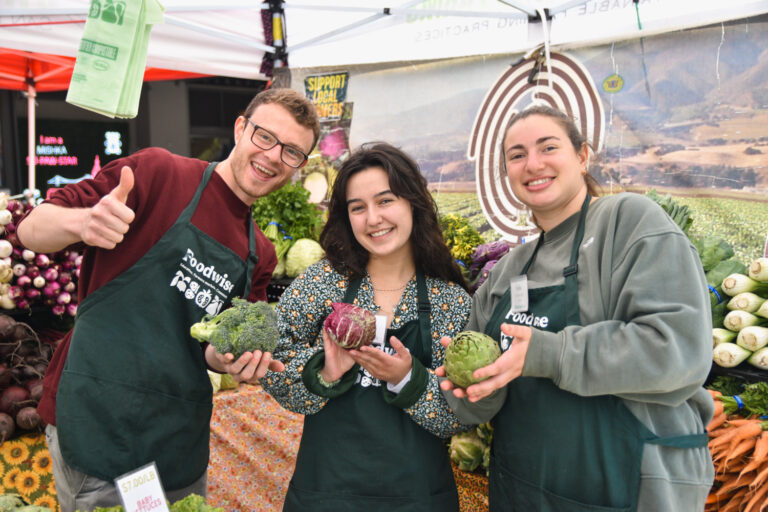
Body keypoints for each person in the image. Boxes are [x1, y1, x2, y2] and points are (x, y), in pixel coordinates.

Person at [16, 88, 320, 512]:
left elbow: (213, 350)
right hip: (97, 415)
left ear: (300, 167)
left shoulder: (259, 253)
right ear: (240, 128)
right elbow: (32, 229)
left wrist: (230, 359)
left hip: (177, 438)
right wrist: (85, 221)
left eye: (292, 152)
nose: (272, 156)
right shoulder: (159, 173)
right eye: (265, 136)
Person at [438, 105, 714, 511]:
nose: (533, 164)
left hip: (627, 487)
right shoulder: (510, 269)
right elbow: (477, 407)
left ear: (582, 156)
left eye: (548, 147)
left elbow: (678, 349)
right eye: (516, 155)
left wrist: (549, 353)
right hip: (522, 489)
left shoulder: (630, 223)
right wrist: (471, 387)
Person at [261, 142, 473, 511]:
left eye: (385, 201)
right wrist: (325, 373)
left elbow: (460, 415)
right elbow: (273, 364)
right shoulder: (323, 282)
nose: (373, 218)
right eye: (357, 207)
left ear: (413, 203)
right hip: (327, 495)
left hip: (417, 499)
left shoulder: (449, 300)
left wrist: (408, 378)